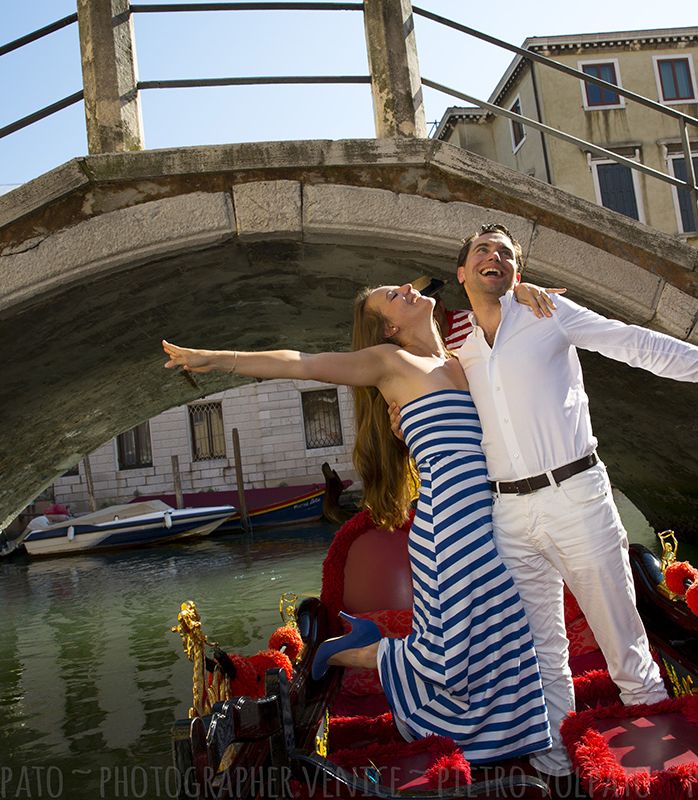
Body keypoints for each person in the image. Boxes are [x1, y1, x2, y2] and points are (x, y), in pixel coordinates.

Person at [448, 222, 698, 777]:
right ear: (463, 271)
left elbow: (639, 345)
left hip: (576, 496)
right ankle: (560, 770)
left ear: (518, 270)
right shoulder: (459, 342)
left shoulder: (549, 314)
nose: (491, 256)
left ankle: (669, 773)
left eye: (504, 252)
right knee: (541, 651)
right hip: (509, 515)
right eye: (481, 249)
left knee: (624, 644)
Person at [160, 283, 555, 765]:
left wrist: (525, 292)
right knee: (451, 657)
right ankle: (341, 654)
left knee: (502, 631)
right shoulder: (391, 362)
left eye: (401, 286)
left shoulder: (466, 357)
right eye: (393, 296)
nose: (408, 288)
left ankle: (515, 749)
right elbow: (301, 363)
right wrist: (220, 358)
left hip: (492, 518)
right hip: (448, 526)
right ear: (388, 330)